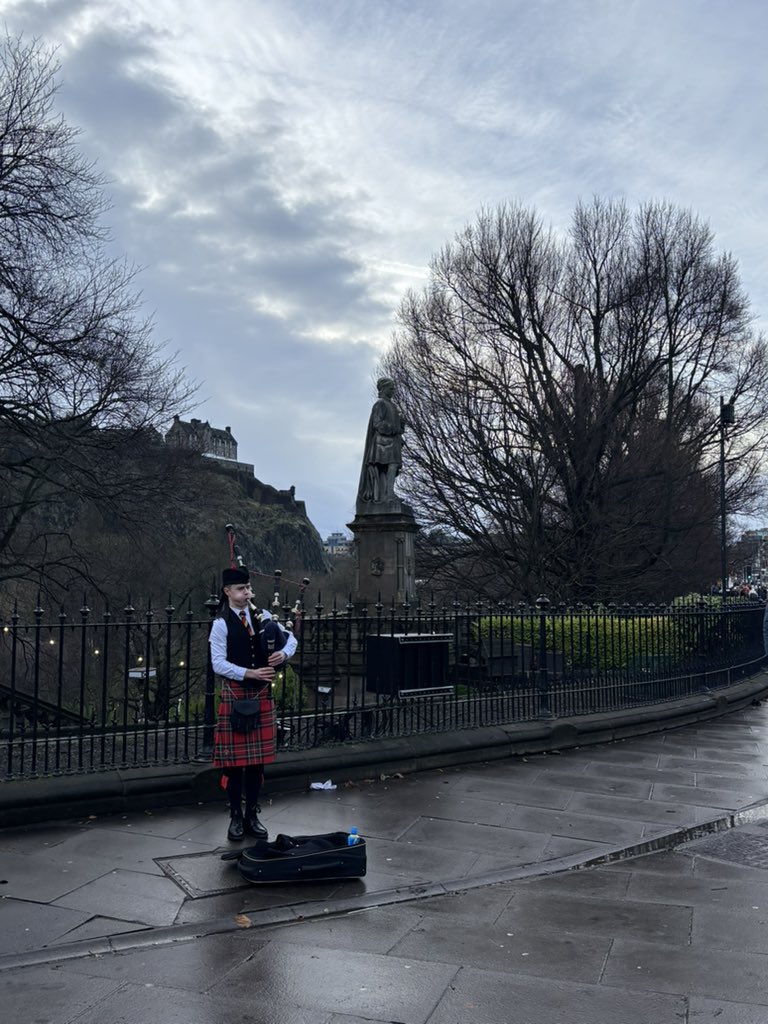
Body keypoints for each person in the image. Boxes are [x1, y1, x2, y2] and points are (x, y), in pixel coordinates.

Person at [209, 564, 298, 841]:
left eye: (248, 588)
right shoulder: (221, 623)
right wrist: (249, 672)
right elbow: (217, 664)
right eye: (241, 589)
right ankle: (235, 815)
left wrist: (283, 655)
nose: (247, 593)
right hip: (236, 695)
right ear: (227, 592)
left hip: (260, 697)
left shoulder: (265, 616)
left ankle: (252, 815)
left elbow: (292, 639)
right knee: (235, 766)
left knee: (257, 763)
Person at [356, 376, 406, 506]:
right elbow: (377, 423)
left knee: (392, 467)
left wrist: (401, 425)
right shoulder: (380, 404)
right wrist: (393, 428)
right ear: (383, 388)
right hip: (383, 443)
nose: (393, 390)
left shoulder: (392, 406)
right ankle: (387, 494)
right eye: (391, 388)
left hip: (391, 442)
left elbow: (396, 427)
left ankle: (389, 493)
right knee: (388, 466)